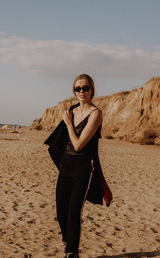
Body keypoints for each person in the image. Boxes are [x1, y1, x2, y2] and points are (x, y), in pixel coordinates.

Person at [44, 74, 113, 258]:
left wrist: (68, 123)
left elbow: (78, 144)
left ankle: (72, 252)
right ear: (74, 91)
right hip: (66, 165)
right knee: (61, 212)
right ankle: (70, 241)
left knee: (74, 211)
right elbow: (62, 141)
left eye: (85, 88)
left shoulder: (95, 113)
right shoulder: (72, 110)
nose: (81, 91)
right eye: (78, 88)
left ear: (92, 90)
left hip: (83, 167)